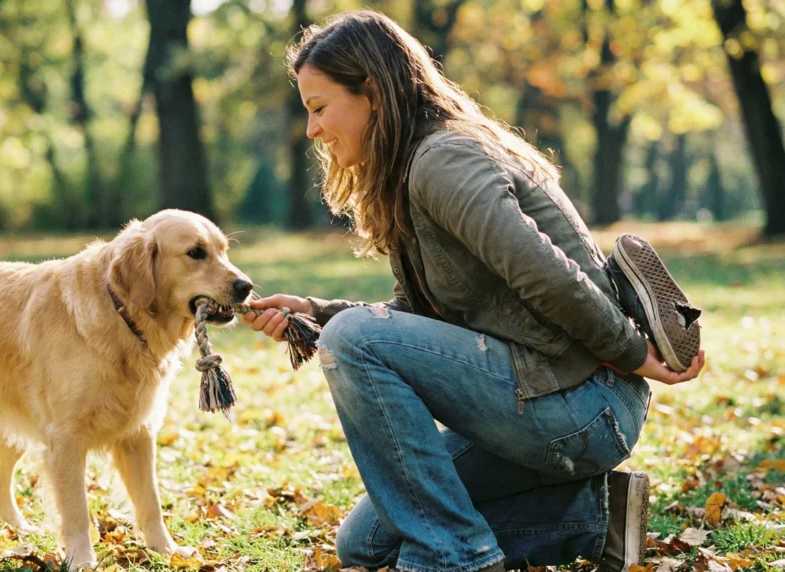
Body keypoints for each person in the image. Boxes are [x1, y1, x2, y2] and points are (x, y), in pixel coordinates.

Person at [242, 11, 704, 572]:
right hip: (542, 395)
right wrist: (316, 313)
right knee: (364, 545)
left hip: (583, 402)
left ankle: (457, 556)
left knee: (354, 341)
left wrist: (633, 353)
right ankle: (590, 516)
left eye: (319, 108)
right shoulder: (413, 168)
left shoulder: (443, 160)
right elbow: (415, 319)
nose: (312, 130)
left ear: (373, 94)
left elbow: (546, 273)